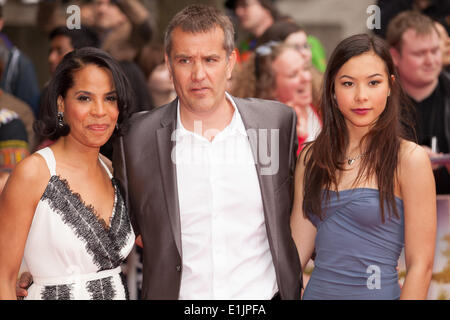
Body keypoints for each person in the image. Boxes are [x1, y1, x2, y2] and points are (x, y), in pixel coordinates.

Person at [113, 4, 301, 299]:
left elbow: (299, 214)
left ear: (230, 62)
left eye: (211, 59)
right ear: (169, 63)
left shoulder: (277, 124)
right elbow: (115, 227)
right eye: (185, 60)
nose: (198, 74)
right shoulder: (136, 137)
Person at [290, 33, 436, 300]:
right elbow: (294, 258)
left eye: (373, 83)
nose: (361, 96)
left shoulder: (409, 159)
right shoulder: (312, 157)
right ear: (332, 88)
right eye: (348, 83)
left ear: (390, 86)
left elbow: (421, 268)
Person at [0, 47, 135, 300]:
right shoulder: (34, 173)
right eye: (84, 98)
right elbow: (3, 280)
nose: (99, 110)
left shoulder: (112, 170)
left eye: (110, 98)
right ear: (61, 103)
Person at [387, 11, 450, 194]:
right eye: (420, 54)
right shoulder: (378, 102)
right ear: (395, 56)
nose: (430, 61)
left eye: (435, 51)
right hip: (395, 208)